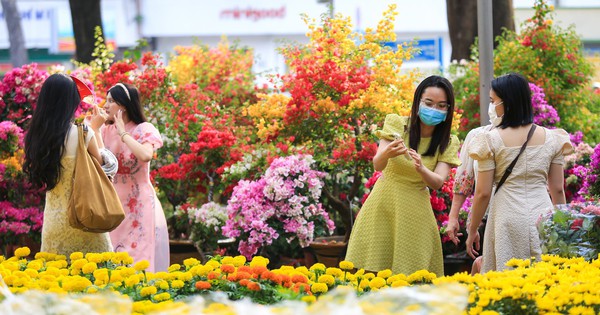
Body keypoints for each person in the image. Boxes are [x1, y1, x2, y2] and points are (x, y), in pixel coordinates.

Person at [346, 75, 461, 276]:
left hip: (416, 209)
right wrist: (388, 152)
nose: (434, 109)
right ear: (417, 102)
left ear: (448, 110)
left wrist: (421, 169)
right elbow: (377, 165)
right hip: (384, 204)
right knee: (372, 273)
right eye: (429, 103)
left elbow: (437, 183)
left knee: (414, 273)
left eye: (442, 105)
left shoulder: (449, 141)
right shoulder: (397, 124)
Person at [466, 73, 573, 273]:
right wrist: (562, 227)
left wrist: (473, 230)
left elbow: (483, 193)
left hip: (506, 217)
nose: (492, 106)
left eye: (493, 101)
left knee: (507, 280)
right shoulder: (553, 138)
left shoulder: (489, 140)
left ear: (507, 102)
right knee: (544, 279)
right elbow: (558, 189)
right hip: (544, 215)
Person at [23, 73, 113, 255]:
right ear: (69, 103)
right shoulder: (82, 133)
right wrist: (96, 130)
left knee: (56, 278)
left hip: (54, 222)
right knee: (96, 279)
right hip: (85, 218)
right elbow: (105, 167)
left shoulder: (36, 137)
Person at [90, 83, 169, 272]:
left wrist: (123, 133)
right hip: (113, 204)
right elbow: (103, 162)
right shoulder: (105, 131)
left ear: (123, 105)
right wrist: (94, 130)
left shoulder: (144, 129)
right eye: (106, 100)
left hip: (139, 204)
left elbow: (145, 155)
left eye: (111, 101)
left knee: (139, 258)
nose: (106, 105)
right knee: (112, 259)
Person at [446, 102, 502, 274]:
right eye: (490, 100)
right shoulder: (478, 135)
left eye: (496, 100)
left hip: (513, 213)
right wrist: (454, 217)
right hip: (485, 217)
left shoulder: (529, 136)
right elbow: (464, 180)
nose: (492, 105)